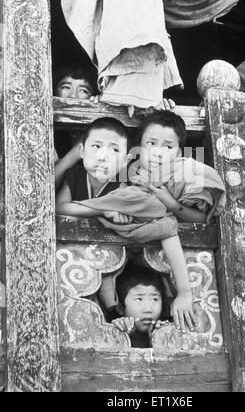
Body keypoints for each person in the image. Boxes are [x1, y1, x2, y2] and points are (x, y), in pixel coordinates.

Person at [56, 111, 226, 332]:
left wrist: (185, 292)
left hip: (144, 269)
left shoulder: (141, 184)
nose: (157, 152)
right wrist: (102, 212)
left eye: (168, 146)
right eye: (151, 143)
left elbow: (169, 227)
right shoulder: (96, 177)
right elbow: (57, 207)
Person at [53, 64, 98, 189]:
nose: (73, 95)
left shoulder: (98, 133)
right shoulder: (47, 134)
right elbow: (46, 188)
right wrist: (77, 151)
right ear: (55, 91)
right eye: (66, 87)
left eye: (83, 90)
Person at [111, 264, 170, 348]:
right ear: (120, 308)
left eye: (155, 299)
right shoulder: (113, 331)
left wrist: (165, 337)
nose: (148, 309)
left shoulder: (167, 333)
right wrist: (115, 332)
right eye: (139, 299)